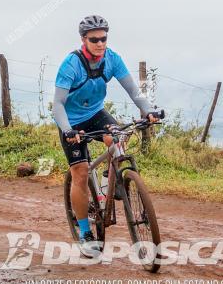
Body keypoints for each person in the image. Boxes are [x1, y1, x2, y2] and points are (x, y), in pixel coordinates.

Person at [53, 15, 161, 258]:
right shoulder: (71, 64)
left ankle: (107, 188)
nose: (100, 43)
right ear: (83, 40)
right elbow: (58, 104)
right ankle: (85, 233)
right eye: (94, 39)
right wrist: (68, 130)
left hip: (95, 114)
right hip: (70, 121)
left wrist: (148, 110)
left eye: (104, 38)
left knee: (119, 138)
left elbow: (134, 91)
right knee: (80, 172)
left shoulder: (112, 59)